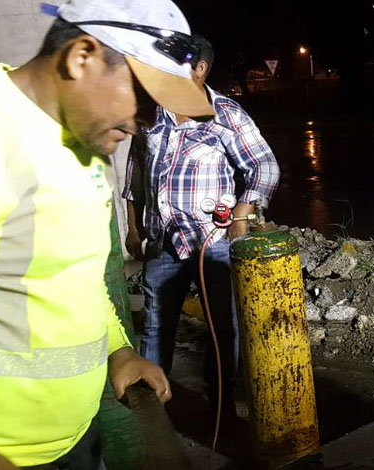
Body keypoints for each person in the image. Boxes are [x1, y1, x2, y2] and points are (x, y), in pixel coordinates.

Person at [0, 0, 216, 468]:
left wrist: (118, 349)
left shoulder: (83, 146)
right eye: (144, 100)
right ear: (81, 56)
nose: (143, 126)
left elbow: (77, 276)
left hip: (75, 443)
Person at [123, 35, 280, 416]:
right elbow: (136, 173)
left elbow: (264, 166)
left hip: (215, 243)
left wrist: (243, 212)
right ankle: (152, 411)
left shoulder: (225, 113)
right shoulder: (155, 111)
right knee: (156, 327)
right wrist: (132, 226)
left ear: (199, 69)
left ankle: (222, 408)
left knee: (223, 329)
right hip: (164, 243)